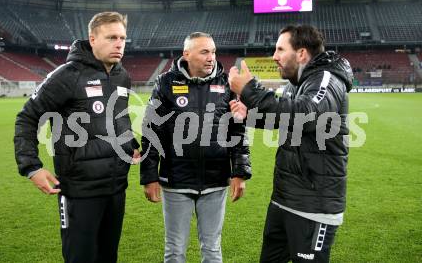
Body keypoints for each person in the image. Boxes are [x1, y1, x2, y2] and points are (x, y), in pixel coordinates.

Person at [14, 11, 140, 263]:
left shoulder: (121, 76)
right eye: (112, 37)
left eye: (123, 38)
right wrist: (32, 167)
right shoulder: (66, 75)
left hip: (116, 186)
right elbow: (27, 118)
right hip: (79, 189)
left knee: (108, 256)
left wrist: (130, 144)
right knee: (80, 257)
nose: (119, 44)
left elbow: (118, 118)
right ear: (92, 39)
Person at [229, 25, 353, 263]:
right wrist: (249, 114)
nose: (274, 56)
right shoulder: (296, 82)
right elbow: (286, 119)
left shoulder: (326, 78)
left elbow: (305, 114)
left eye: (280, 49)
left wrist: (249, 89)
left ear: (302, 53)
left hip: (314, 205)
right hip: (284, 198)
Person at [140, 32, 252, 263]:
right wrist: (149, 176)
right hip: (176, 181)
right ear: (187, 54)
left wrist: (240, 172)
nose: (211, 57)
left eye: (213, 51)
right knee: (175, 250)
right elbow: (152, 131)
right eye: (204, 52)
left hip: (215, 180)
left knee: (211, 249)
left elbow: (237, 130)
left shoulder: (225, 84)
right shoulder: (166, 83)